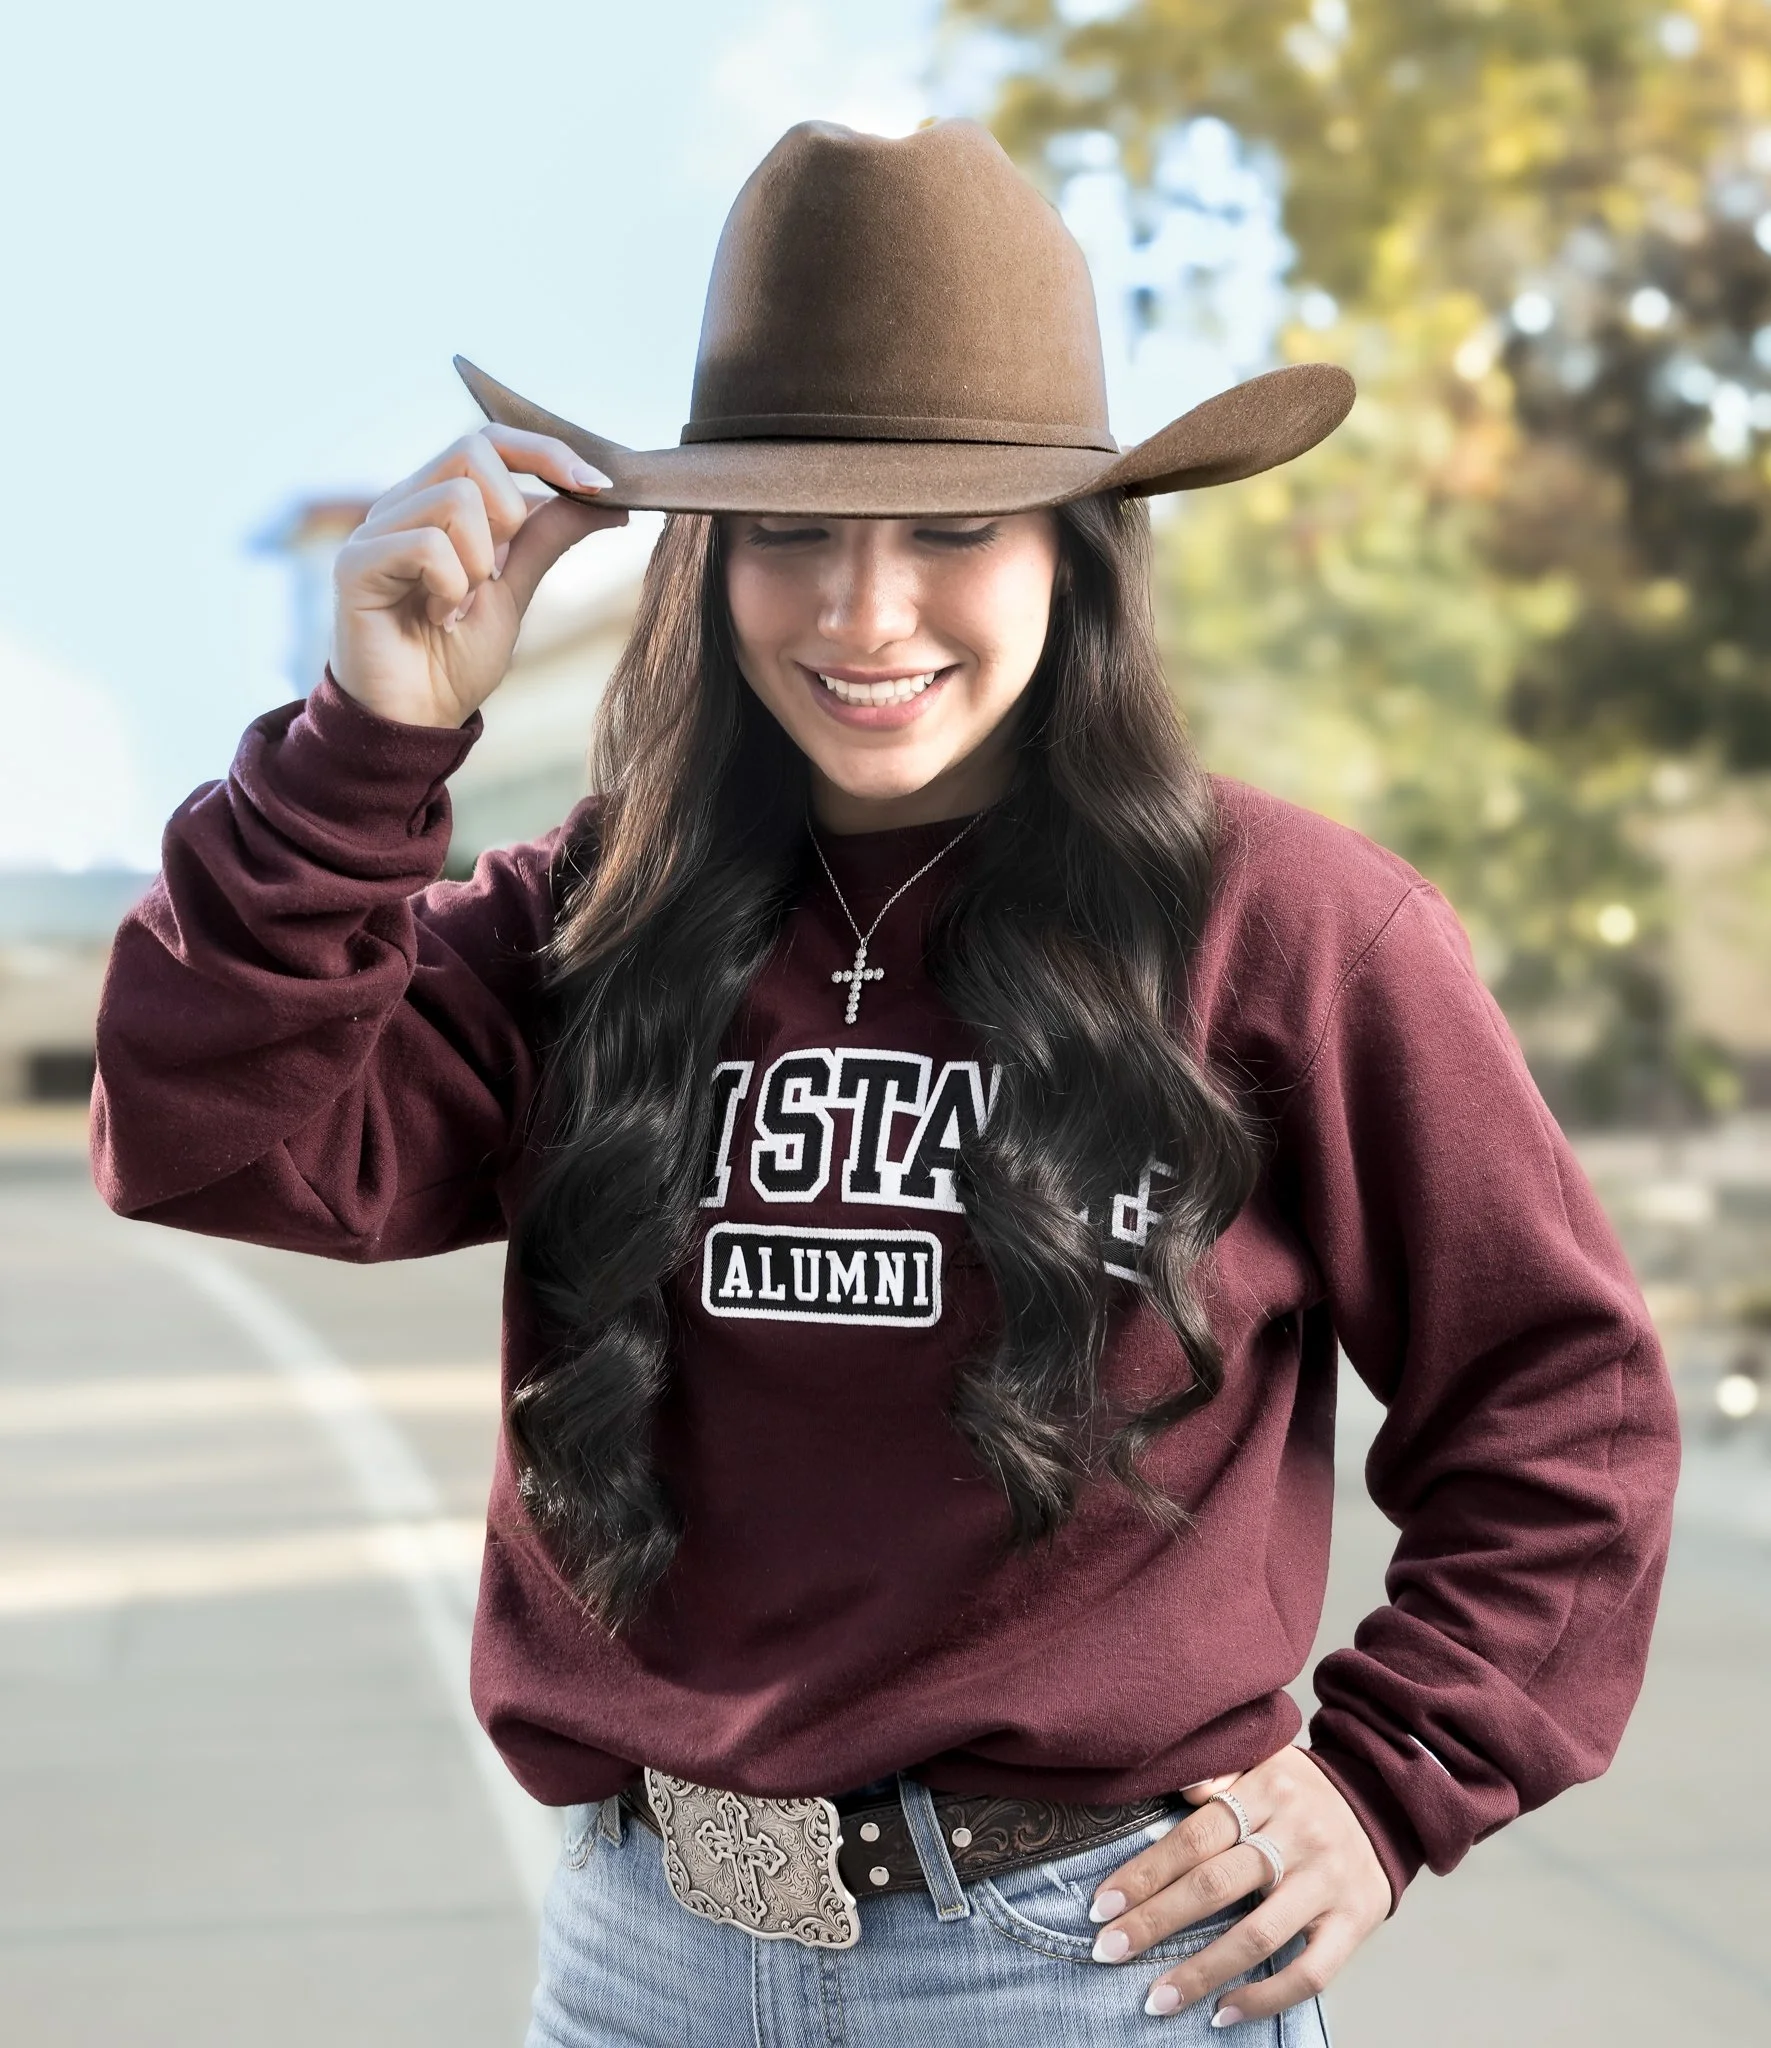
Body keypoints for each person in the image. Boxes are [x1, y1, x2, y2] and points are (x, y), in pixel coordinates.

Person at [90, 120, 1680, 2045]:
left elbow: (1563, 1399)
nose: (860, 616)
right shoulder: (585, 918)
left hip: (1091, 1971)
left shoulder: (1290, 929)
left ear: (1078, 548)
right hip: (645, 1959)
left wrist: (1387, 1780)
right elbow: (210, 1146)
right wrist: (364, 748)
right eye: (789, 532)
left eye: (946, 529)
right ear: (711, 558)